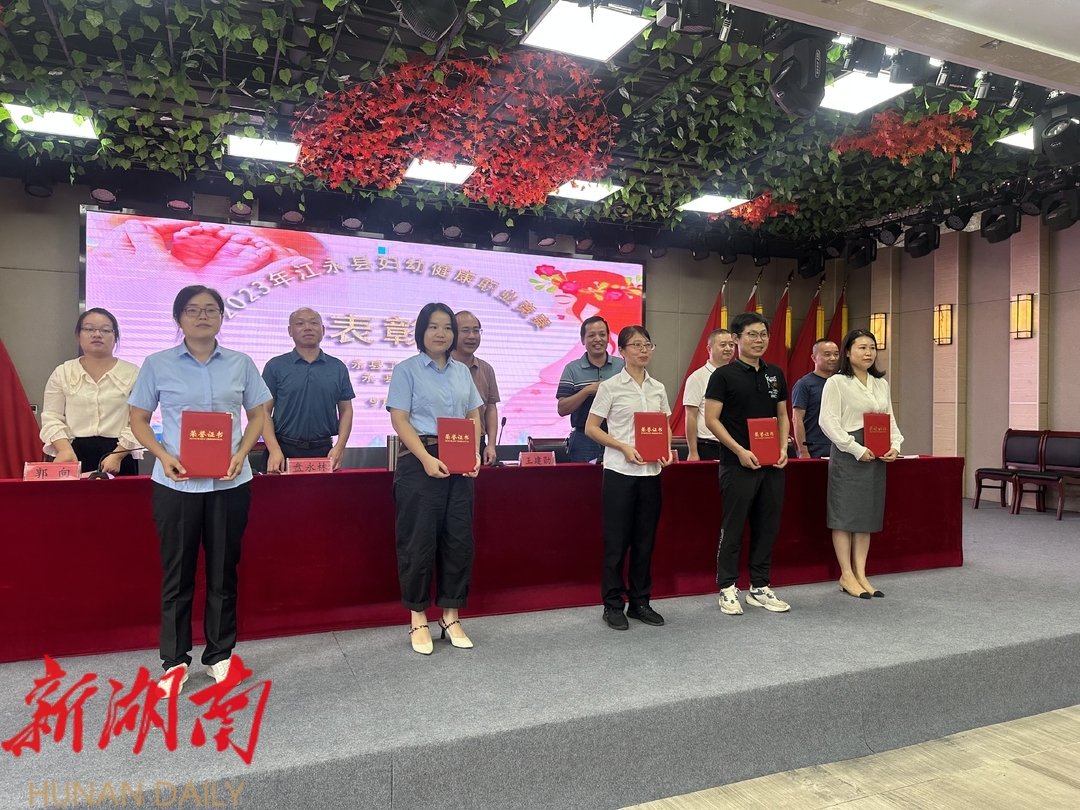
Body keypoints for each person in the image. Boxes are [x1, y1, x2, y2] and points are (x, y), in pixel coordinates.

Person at [128, 286, 270, 693]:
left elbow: (259, 413)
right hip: (176, 483)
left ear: (222, 316)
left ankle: (219, 655)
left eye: (211, 309)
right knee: (178, 574)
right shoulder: (157, 364)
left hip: (230, 482)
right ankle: (174, 661)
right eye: (192, 310)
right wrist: (161, 455)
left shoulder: (241, 363)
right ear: (179, 318)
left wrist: (242, 452)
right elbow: (138, 418)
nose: (202, 316)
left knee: (224, 572)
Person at [386, 302, 483, 655]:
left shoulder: (462, 372)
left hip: (459, 461)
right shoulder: (406, 370)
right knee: (418, 542)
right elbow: (399, 419)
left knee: (459, 541)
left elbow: (473, 414)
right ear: (421, 331)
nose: (441, 333)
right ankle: (418, 617)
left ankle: (451, 616)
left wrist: (474, 453)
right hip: (419, 461)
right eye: (433, 326)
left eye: (447, 327)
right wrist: (426, 458)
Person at [703, 312, 792, 615]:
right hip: (737, 463)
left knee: (768, 527)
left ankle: (759, 586)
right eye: (752, 334)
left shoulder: (775, 374)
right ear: (737, 339)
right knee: (734, 527)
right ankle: (727, 587)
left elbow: (782, 414)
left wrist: (783, 447)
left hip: (772, 465)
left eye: (763, 334)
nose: (759, 340)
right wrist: (739, 450)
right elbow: (711, 420)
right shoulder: (723, 376)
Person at [586, 326, 673, 630]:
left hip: (650, 473)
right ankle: (612, 604)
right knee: (616, 542)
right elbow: (591, 428)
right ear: (621, 351)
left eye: (647, 344)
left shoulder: (658, 388)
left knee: (645, 541)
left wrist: (666, 449)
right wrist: (622, 446)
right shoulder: (610, 387)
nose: (643, 350)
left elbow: (664, 426)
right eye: (636, 345)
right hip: (619, 473)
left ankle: (640, 602)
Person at [818, 329, 903, 599]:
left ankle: (861, 573)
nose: (868, 353)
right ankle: (846, 574)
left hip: (876, 453)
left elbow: (889, 419)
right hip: (849, 452)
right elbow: (828, 421)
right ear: (847, 352)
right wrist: (855, 448)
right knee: (845, 517)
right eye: (862, 347)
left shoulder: (881, 383)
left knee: (866, 517)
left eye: (872, 348)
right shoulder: (837, 382)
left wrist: (895, 445)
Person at [40, 308, 141, 476]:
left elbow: (139, 422)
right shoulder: (63, 372)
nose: (97, 334)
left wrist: (117, 456)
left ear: (115, 337)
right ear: (78, 335)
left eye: (105, 330)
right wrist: (64, 450)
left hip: (119, 455)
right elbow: (51, 417)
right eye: (89, 329)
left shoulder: (134, 373)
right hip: (71, 453)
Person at [261, 308, 355, 472]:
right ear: (290, 331)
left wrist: (340, 447)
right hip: (283, 450)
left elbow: (346, 410)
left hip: (324, 452)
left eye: (313, 323)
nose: (308, 328)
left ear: (323, 330)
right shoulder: (275, 366)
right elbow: (263, 411)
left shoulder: (338, 367)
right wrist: (274, 450)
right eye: (300, 324)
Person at [556, 316, 625, 462]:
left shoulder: (623, 366)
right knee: (583, 477)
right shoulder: (572, 369)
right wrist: (587, 391)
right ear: (583, 340)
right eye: (591, 335)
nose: (598, 339)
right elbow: (562, 409)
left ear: (608, 337)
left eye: (602, 334)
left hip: (618, 436)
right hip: (583, 439)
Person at [452, 311, 501, 466]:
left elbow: (490, 408)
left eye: (476, 331)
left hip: (477, 442)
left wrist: (491, 445)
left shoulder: (486, 369)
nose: (472, 336)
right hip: (446, 439)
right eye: (465, 331)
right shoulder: (440, 368)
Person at [683, 329, 736, 461]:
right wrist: (693, 452)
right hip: (708, 447)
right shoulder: (697, 378)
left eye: (731, 345)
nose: (728, 348)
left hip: (735, 447)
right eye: (723, 345)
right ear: (709, 349)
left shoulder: (737, 376)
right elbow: (691, 416)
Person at [791, 339, 840, 459]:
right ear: (814, 358)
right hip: (814, 449)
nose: (833, 358)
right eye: (827, 354)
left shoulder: (841, 382)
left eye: (836, 354)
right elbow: (797, 419)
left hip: (840, 447)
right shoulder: (804, 384)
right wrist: (803, 451)